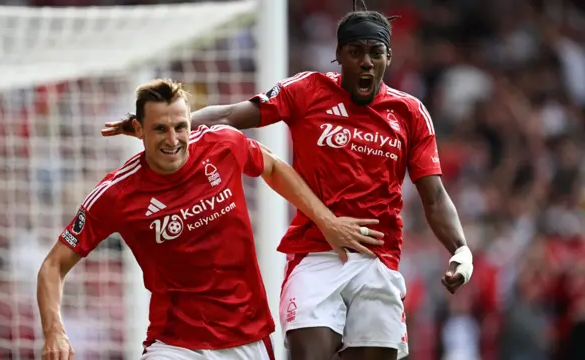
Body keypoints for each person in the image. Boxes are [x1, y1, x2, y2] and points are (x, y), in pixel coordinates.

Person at [100, 4, 475, 360]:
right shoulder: (307, 90)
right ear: (339, 55)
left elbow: (435, 195)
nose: (365, 61)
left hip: (378, 260)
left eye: (375, 52)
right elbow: (231, 115)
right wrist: (173, 131)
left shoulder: (409, 113)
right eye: (355, 51)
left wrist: (460, 249)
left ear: (388, 58)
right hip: (315, 255)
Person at [37, 78, 385, 360]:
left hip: (247, 340)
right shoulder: (116, 194)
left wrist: (326, 221)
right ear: (138, 130)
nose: (173, 140)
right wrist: (55, 330)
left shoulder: (223, 145)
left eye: (180, 127)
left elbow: (273, 167)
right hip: (175, 345)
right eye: (160, 129)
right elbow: (53, 266)